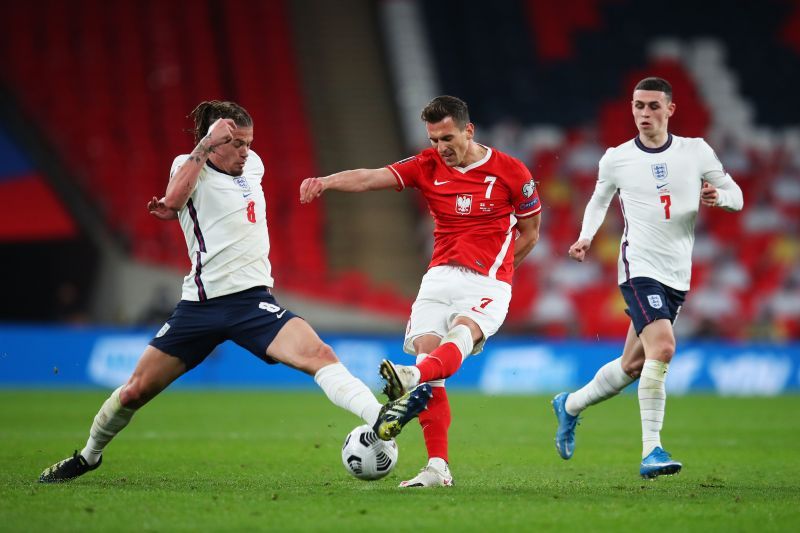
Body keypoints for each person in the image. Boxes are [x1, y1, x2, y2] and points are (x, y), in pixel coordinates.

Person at [38, 101, 431, 483]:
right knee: (134, 392)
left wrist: (225, 146)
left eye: (249, 142)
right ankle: (88, 456)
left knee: (318, 354)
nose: (246, 152)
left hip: (251, 301)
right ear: (212, 140)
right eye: (236, 143)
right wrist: (205, 144)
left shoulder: (253, 166)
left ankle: (380, 417)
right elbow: (173, 202)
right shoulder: (187, 165)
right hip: (200, 306)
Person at [300, 95, 542, 487]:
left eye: (447, 137)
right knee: (435, 371)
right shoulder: (426, 166)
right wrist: (326, 181)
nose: (441, 148)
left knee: (461, 335)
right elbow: (369, 177)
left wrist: (500, 270)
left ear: (469, 130)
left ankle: (409, 376)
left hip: (487, 281)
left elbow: (531, 233)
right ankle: (437, 468)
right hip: (438, 278)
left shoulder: (512, 172)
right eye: (433, 139)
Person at [552, 77, 744, 478]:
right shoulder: (617, 158)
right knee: (664, 348)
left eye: (653, 106)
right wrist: (586, 238)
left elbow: (736, 194)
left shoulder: (696, 151)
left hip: (677, 273)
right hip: (639, 268)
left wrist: (719, 197)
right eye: (638, 105)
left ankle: (569, 405)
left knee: (633, 364)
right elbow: (598, 200)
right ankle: (651, 451)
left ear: (670, 109)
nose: (644, 113)